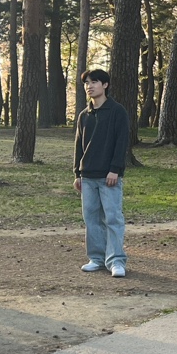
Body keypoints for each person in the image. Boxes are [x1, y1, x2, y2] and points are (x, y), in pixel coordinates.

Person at [73, 68, 129, 278]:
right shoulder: (84, 115)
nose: (89, 86)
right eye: (87, 83)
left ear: (105, 85)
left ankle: (116, 261)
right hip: (87, 177)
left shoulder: (117, 111)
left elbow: (121, 142)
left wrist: (115, 169)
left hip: (109, 177)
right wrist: (77, 173)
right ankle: (96, 258)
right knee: (91, 219)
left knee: (113, 218)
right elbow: (79, 145)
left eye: (94, 82)